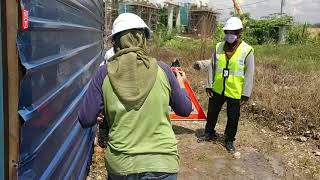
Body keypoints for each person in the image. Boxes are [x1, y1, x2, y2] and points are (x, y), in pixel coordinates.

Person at [78, 13, 192, 180]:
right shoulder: (163, 70)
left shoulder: (104, 73)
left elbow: (85, 118)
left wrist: (103, 113)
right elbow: (185, 109)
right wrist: (181, 85)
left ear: (116, 42)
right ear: (143, 39)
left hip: (122, 164)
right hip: (162, 163)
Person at [197, 17, 255, 153]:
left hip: (235, 91)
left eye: (233, 32)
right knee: (212, 112)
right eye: (227, 32)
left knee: (233, 117)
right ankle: (209, 133)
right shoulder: (218, 47)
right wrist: (209, 85)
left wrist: (246, 93)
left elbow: (249, 73)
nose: (230, 35)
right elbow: (212, 66)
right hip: (217, 88)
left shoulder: (247, 50)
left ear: (239, 33)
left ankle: (229, 140)